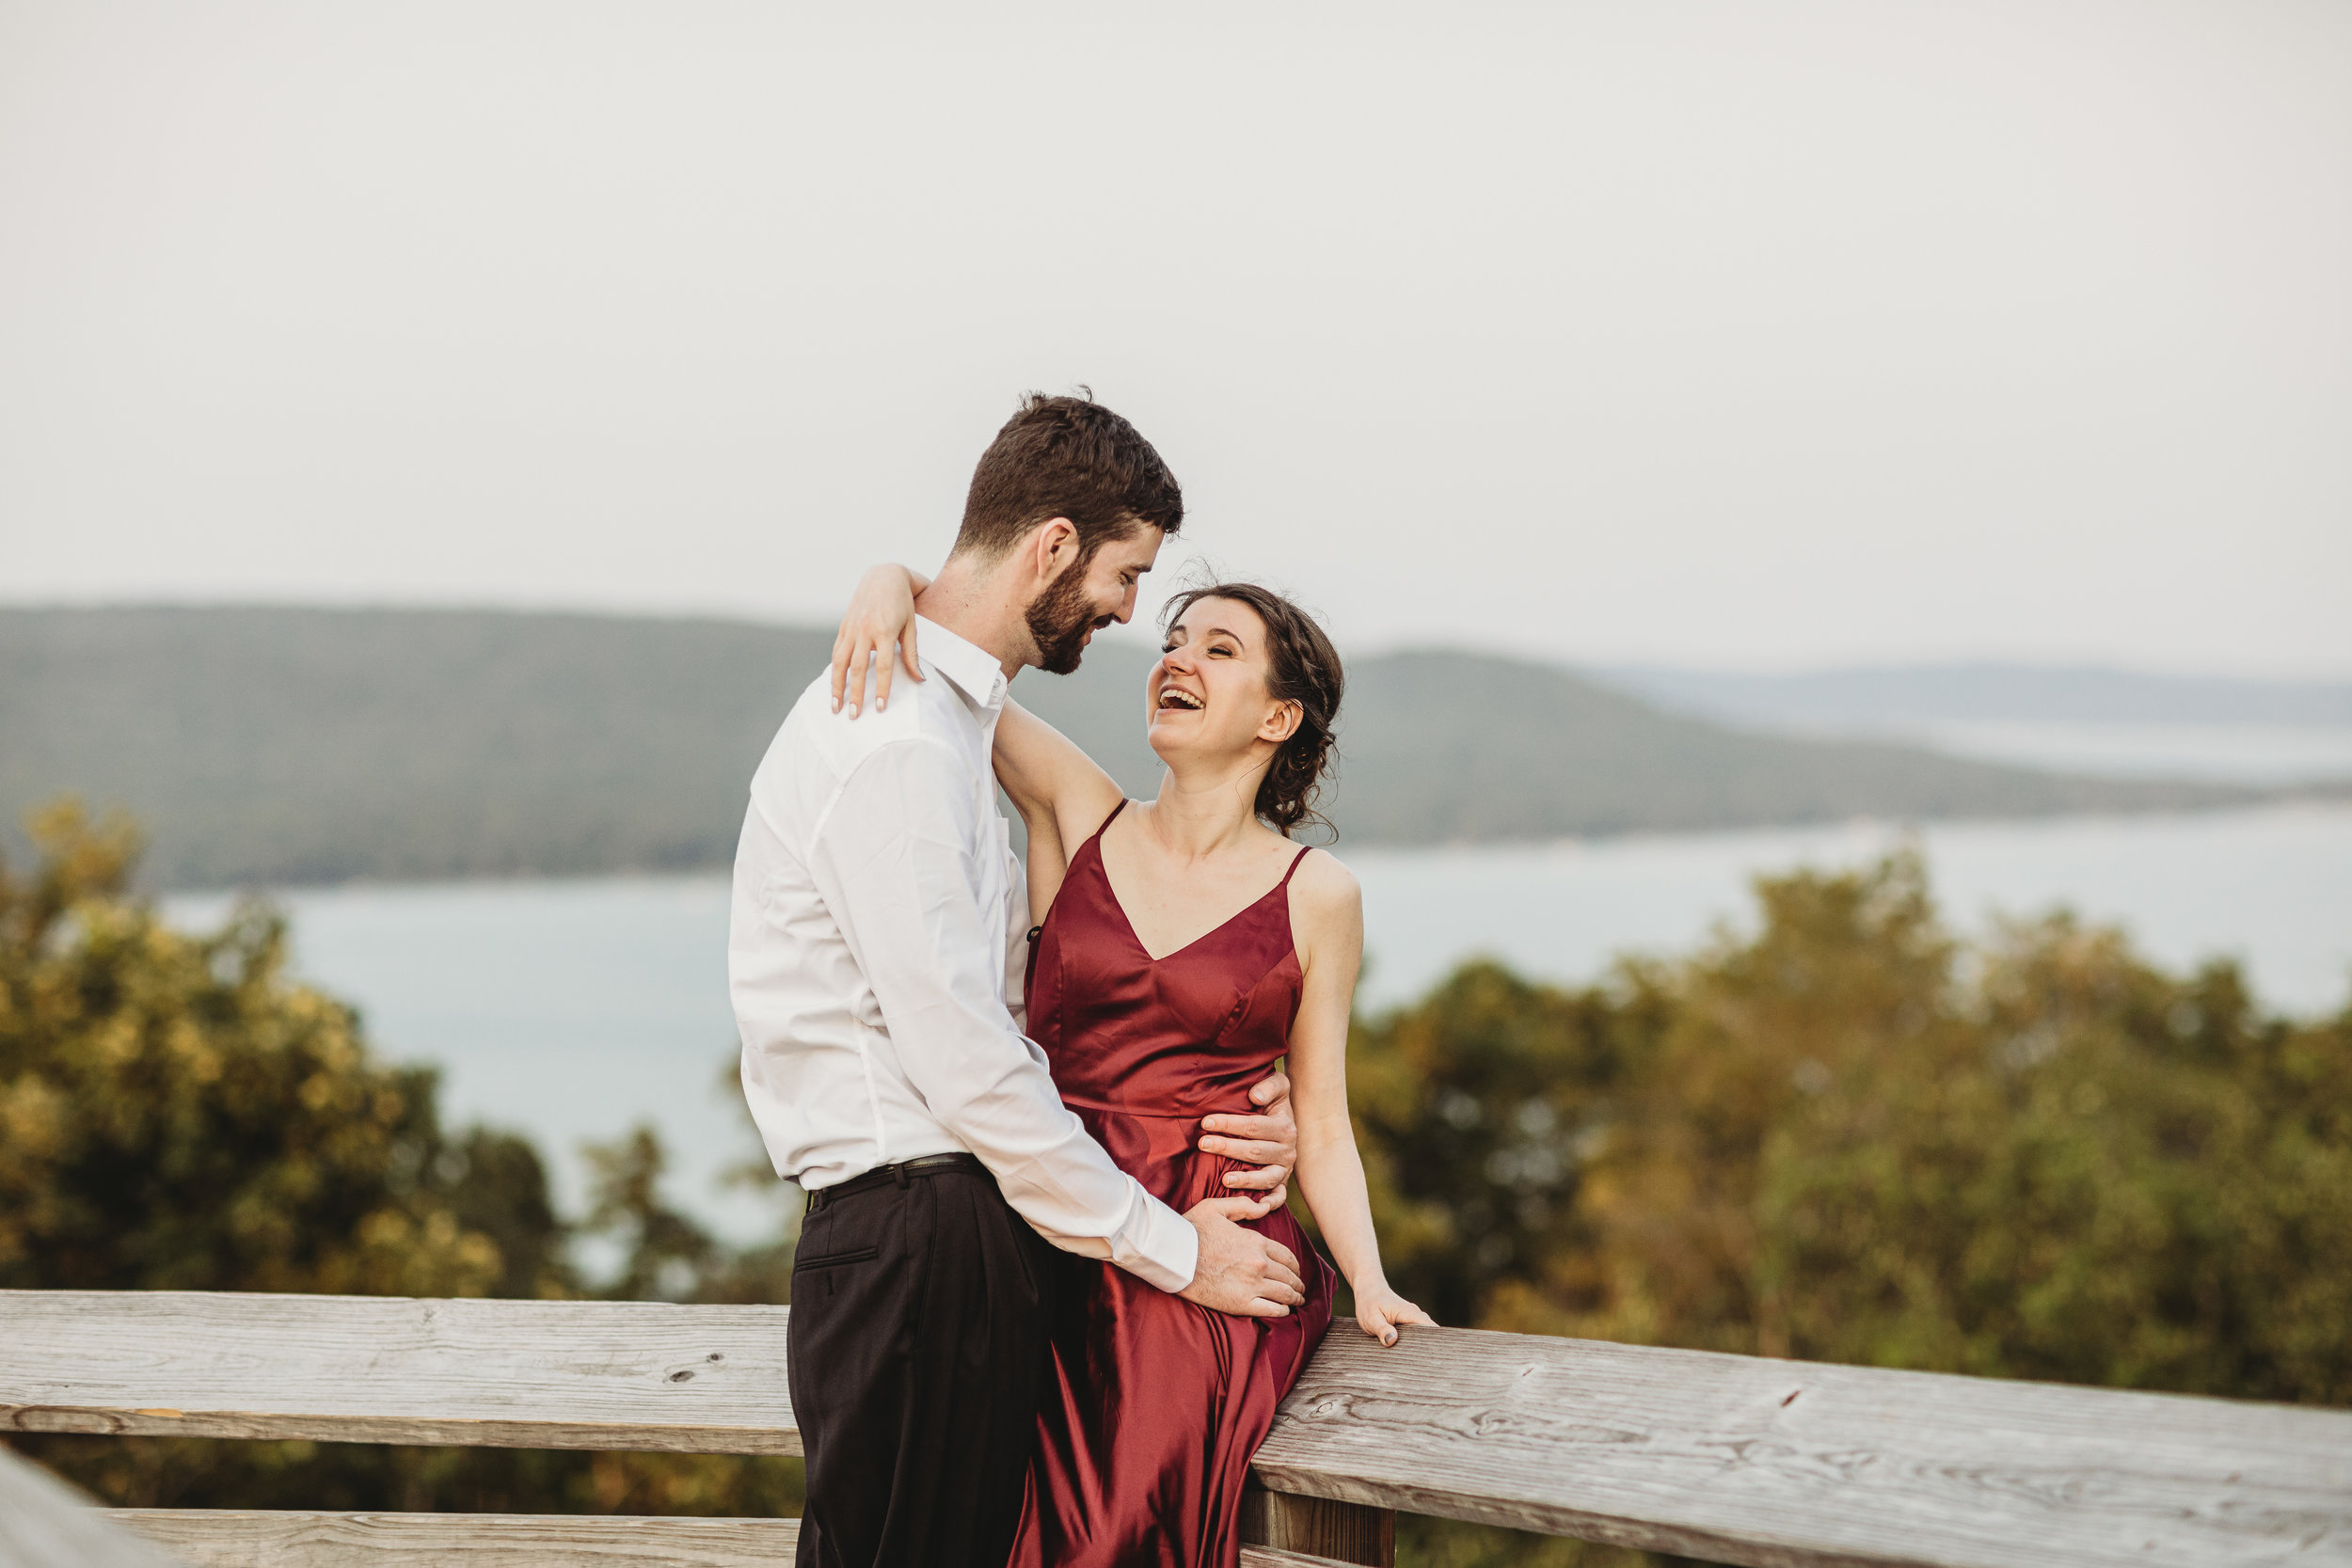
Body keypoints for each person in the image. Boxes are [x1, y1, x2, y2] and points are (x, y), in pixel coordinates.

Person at [729, 394, 1311, 1568]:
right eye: (1123, 574)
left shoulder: (945, 722)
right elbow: (968, 1064)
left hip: (949, 1238)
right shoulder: (897, 745)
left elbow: (1028, 1018)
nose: (1126, 613)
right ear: (1051, 545)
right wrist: (1175, 1246)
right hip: (912, 1241)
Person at [829, 560, 1435, 1568]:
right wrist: (891, 581)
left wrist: (1368, 1281)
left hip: (1207, 1255)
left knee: (1114, 1533)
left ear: (1277, 719)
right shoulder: (1079, 810)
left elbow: (1321, 1119)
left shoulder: (1316, 892)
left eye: (1217, 649)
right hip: (1043, 1219)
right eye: (1171, 641)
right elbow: (951, 670)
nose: (1175, 660)